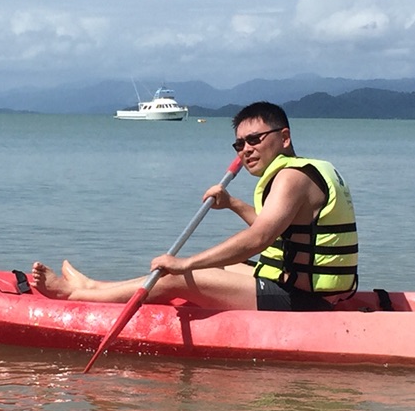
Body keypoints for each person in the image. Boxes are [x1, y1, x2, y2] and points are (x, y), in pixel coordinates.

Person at [31, 101, 360, 311]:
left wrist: (184, 264)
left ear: (284, 137)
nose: (246, 150)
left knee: (179, 277)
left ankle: (73, 296)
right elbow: (280, 232)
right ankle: (94, 287)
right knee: (212, 269)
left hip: (304, 301)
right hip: (303, 288)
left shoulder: (290, 177)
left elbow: (257, 241)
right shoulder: (305, 170)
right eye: (239, 143)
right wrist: (232, 203)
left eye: (255, 139)